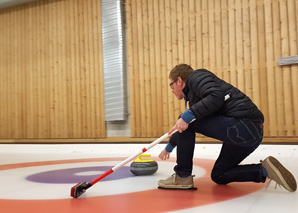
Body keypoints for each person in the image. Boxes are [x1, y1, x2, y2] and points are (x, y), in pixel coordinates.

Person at [158, 64, 297, 192]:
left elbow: (215, 96)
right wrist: (169, 147)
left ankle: (182, 176)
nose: (172, 90)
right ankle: (264, 170)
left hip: (242, 125)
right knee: (219, 175)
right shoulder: (197, 97)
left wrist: (188, 115)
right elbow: (187, 124)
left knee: (185, 118)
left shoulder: (196, 77)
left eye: (172, 85)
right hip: (251, 134)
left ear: (179, 81)